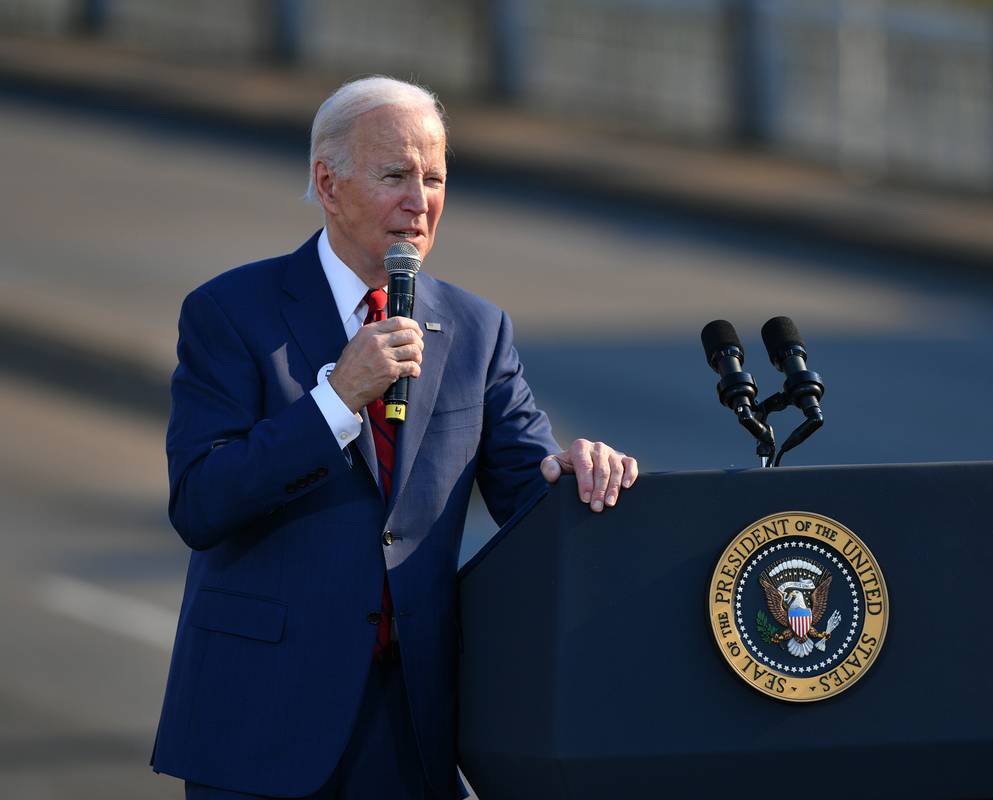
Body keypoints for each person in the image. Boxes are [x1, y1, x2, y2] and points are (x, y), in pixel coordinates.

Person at [151, 75, 638, 799]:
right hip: (260, 720)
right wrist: (334, 401)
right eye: (396, 176)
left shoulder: (476, 330)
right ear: (328, 182)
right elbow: (200, 502)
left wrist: (580, 474)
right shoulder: (231, 312)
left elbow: (528, 495)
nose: (420, 202)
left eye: (435, 177)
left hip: (408, 732)